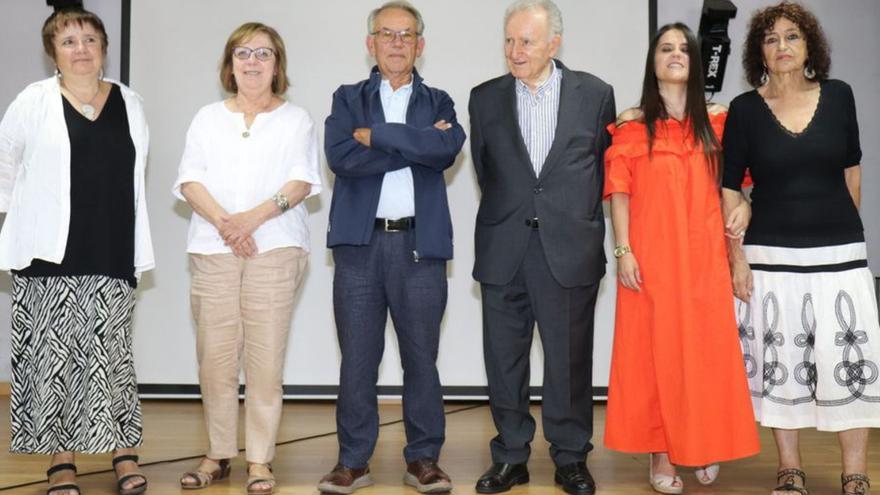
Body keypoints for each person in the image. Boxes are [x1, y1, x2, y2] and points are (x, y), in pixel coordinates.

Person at [722, 3, 878, 495]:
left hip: (840, 257)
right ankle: (789, 469)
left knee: (847, 363)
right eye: (771, 39)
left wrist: (850, 237)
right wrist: (737, 259)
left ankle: (855, 472)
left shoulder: (839, 96)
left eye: (792, 36)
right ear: (758, 53)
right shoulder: (745, 110)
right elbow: (729, 190)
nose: (783, 46)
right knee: (779, 370)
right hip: (770, 260)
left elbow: (852, 173)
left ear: (810, 45)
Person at [0, 7, 153, 495]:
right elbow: (5, 170)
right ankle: (60, 464)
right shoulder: (33, 101)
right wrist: (16, 232)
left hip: (111, 248)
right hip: (47, 253)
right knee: (51, 360)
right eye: (68, 41)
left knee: (113, 357)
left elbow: (134, 178)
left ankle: (122, 454)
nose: (81, 49)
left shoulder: (130, 101)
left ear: (104, 48)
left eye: (90, 39)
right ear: (53, 53)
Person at [602, 22, 760, 495]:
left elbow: (736, 187)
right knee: (655, 358)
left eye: (682, 49)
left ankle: (703, 441)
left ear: (695, 61)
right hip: (650, 261)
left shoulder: (720, 120)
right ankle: (662, 453)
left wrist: (744, 219)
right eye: (664, 48)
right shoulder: (631, 123)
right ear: (653, 62)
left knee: (705, 355)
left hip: (705, 257)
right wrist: (624, 250)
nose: (674, 54)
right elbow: (620, 194)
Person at [317, 2, 466, 493]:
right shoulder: (346, 98)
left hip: (420, 247)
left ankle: (423, 459)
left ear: (420, 44)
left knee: (421, 357)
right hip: (360, 247)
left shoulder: (440, 101)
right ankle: (353, 461)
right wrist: (412, 146)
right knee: (357, 358)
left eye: (407, 35)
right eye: (387, 34)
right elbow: (342, 157)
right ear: (371, 43)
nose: (397, 42)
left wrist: (377, 137)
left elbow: (444, 151)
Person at [468, 1, 615, 494]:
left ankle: (571, 456)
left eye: (526, 41)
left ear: (554, 43)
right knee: (503, 359)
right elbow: (488, 171)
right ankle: (510, 456)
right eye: (509, 41)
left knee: (569, 360)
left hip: (568, 249)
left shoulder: (594, 94)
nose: (515, 51)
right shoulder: (484, 98)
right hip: (504, 246)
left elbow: (599, 170)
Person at [172, 22, 322, 495]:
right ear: (229, 64)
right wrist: (225, 224)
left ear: (277, 65)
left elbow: (300, 183)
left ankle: (259, 459)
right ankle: (218, 454)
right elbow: (190, 180)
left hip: (274, 250)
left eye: (263, 53)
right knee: (215, 360)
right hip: (214, 251)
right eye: (242, 53)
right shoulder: (206, 118)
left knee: (264, 361)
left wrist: (249, 221)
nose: (252, 62)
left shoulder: (296, 119)